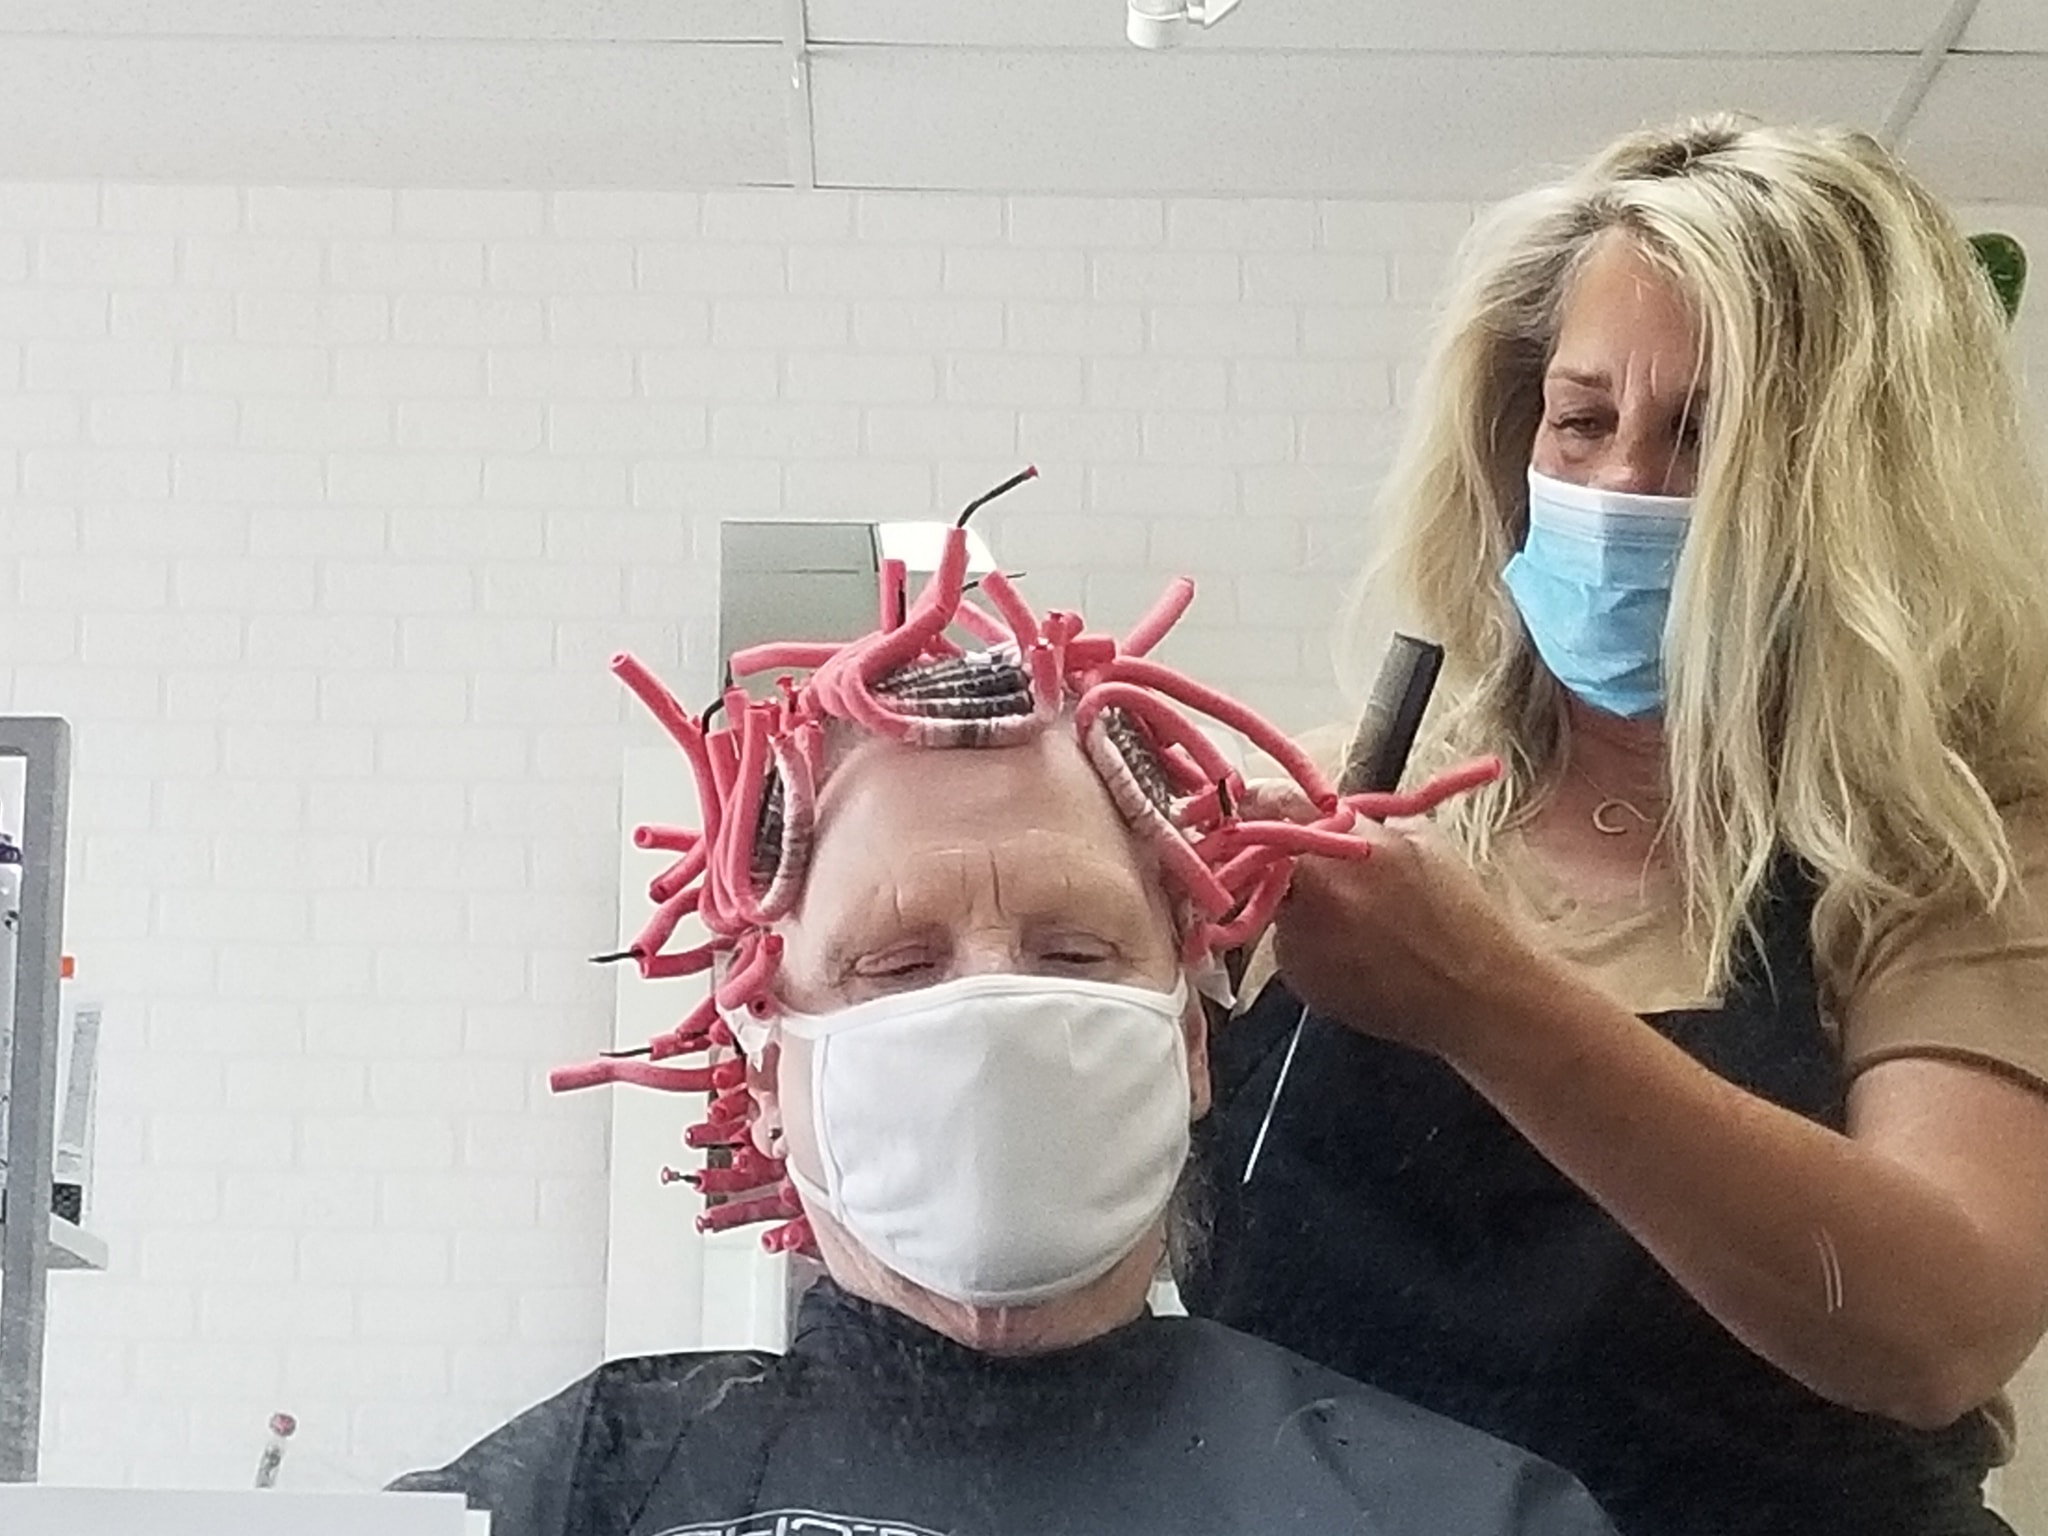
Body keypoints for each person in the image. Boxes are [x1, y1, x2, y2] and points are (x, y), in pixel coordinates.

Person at [391, 531, 1616, 1535]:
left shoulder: (1453, 1514)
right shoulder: (592, 1485)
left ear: (1190, 1046)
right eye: (896, 964)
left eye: (1073, 954)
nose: (991, 1019)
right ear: (765, 1077)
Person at [1182, 114, 2048, 1536]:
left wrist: (1480, 999)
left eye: (1702, 436)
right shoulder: (1339, 796)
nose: (1622, 489)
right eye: (1580, 421)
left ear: (1862, 487)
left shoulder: (1966, 841)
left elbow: (1938, 1326)